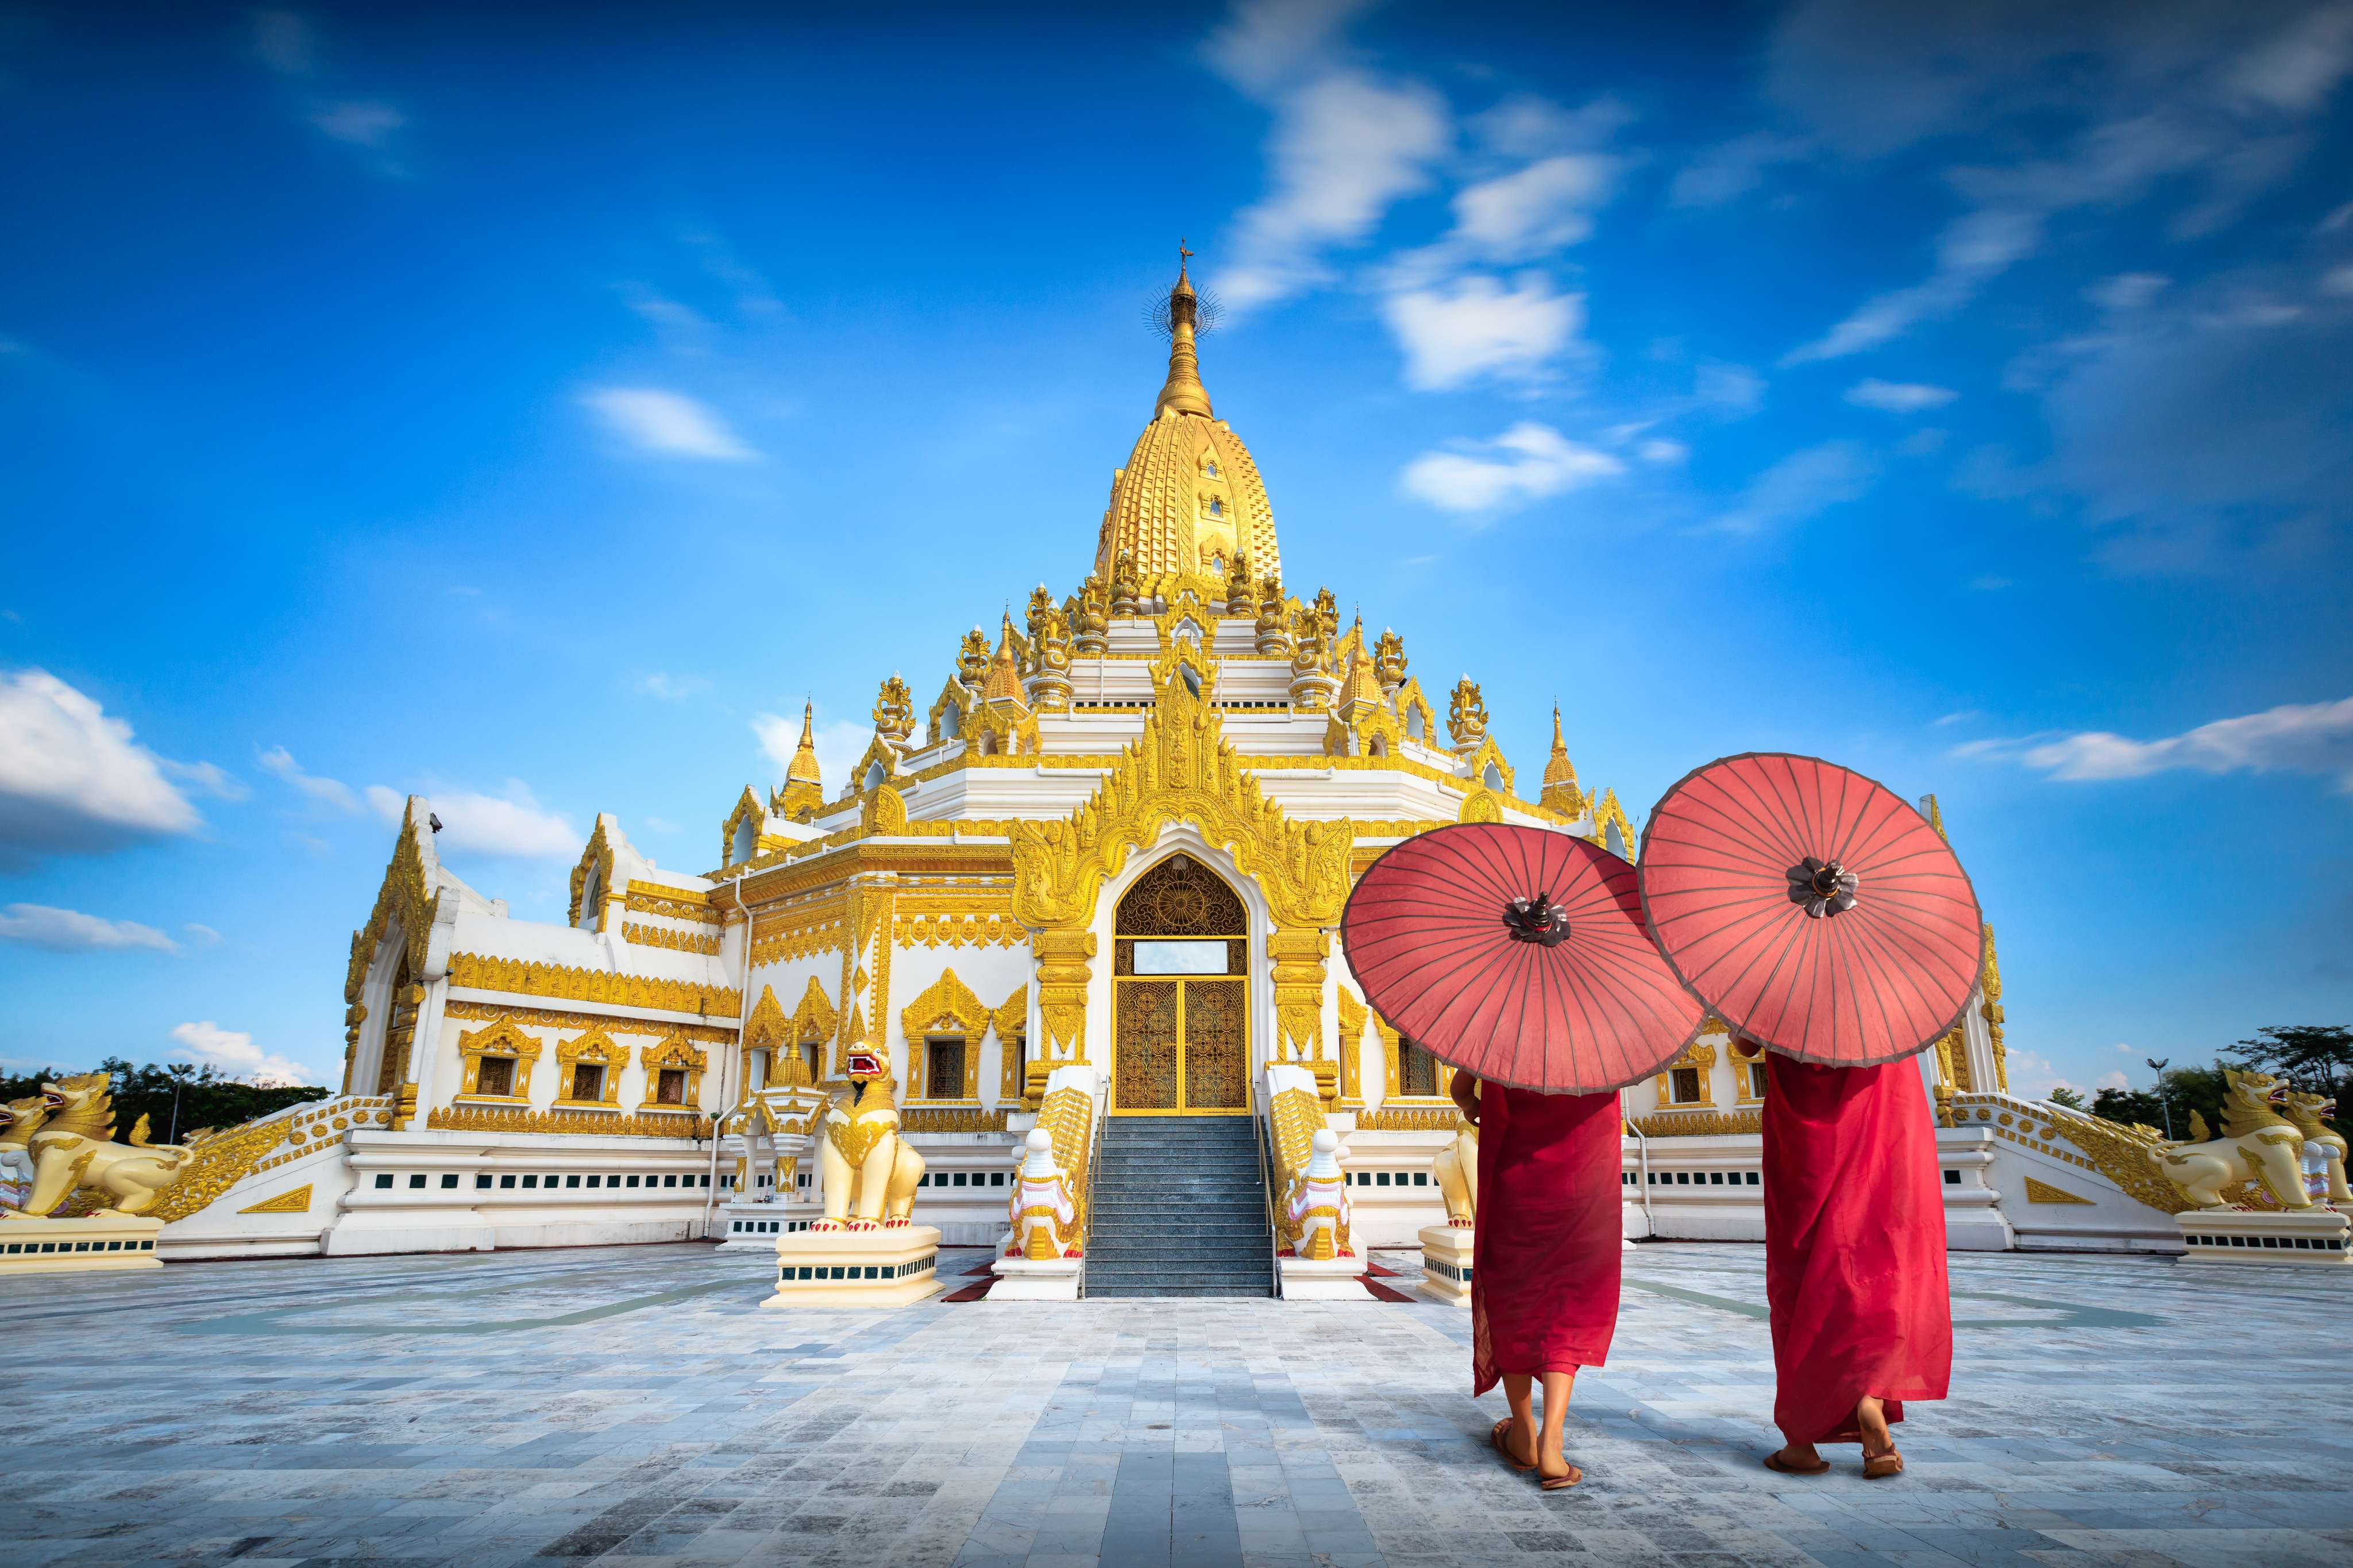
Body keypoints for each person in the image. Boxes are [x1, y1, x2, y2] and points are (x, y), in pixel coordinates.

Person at [1758, 1046, 1953, 1480]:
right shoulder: (1887, 1012)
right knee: (1878, 1265)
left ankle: (1801, 1442)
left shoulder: (1775, 1001)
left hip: (1803, 1146)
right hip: (1881, 1121)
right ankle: (1870, 1397)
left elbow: (1744, 1043)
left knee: (1802, 1279)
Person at [1452, 1068, 1623, 1491]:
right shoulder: (1604, 1042)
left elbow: (1461, 1090)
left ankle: (1524, 1433)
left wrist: (1474, 1105)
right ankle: (1552, 1442)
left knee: (1516, 1296)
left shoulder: (1503, 1033)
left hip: (1518, 1180)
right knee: (1569, 1303)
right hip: (1585, 1184)